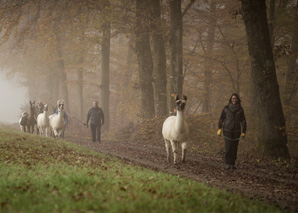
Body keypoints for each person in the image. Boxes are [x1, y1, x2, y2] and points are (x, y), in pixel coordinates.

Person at [217, 93, 246, 170]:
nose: (234, 100)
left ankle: (232, 163)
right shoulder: (226, 108)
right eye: (233, 98)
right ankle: (227, 163)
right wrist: (219, 128)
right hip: (227, 130)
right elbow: (221, 119)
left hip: (237, 130)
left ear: (238, 100)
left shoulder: (240, 109)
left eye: (235, 98)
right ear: (231, 99)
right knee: (228, 146)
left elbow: (243, 120)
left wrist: (244, 131)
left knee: (234, 147)